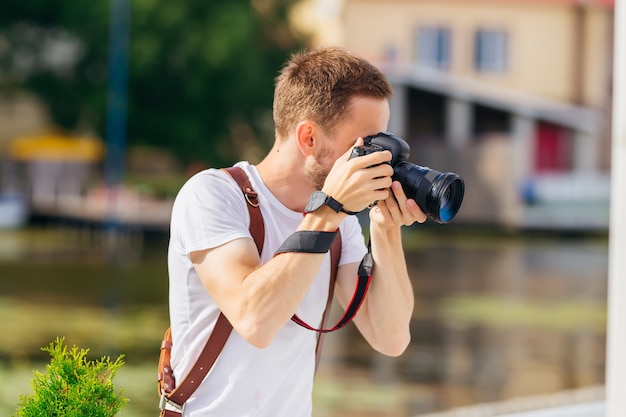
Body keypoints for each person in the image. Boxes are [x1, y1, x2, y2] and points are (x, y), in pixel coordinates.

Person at [167, 46, 427, 416]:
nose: (378, 160)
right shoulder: (213, 195)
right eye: (368, 145)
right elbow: (254, 320)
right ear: (308, 138)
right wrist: (328, 210)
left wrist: (385, 230)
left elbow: (392, 338)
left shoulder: (342, 225)